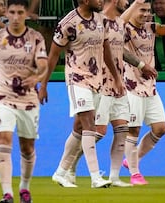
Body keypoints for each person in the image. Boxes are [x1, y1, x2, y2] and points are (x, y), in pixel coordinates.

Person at [63, 0, 158, 187]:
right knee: (93, 131)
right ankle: (68, 168)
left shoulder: (120, 24)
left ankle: (114, 177)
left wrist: (138, 65)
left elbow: (119, 51)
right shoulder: (100, 21)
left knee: (122, 130)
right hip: (99, 83)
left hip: (118, 83)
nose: (128, 2)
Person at [38, 0, 126, 188]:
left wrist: (116, 78)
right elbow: (53, 55)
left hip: (97, 80)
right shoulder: (68, 23)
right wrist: (43, 85)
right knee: (89, 125)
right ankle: (95, 177)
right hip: (77, 79)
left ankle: (60, 172)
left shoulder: (101, 20)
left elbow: (106, 50)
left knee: (79, 128)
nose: (102, 1)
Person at [0, 0, 48, 202]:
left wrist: (36, 77)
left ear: (26, 14)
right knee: (4, 139)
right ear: (6, 13)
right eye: (12, 12)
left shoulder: (35, 38)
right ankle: (7, 193)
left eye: (20, 13)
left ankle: (24, 188)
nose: (16, 17)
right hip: (3, 97)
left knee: (27, 148)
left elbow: (43, 63)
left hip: (28, 100)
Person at [119, 0, 165, 185]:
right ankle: (135, 173)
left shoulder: (151, 27)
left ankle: (132, 160)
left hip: (149, 85)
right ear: (132, 10)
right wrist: (140, 65)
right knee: (134, 129)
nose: (146, 14)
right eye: (142, 10)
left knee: (160, 128)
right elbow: (117, 41)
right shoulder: (124, 29)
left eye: (148, 10)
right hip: (130, 85)